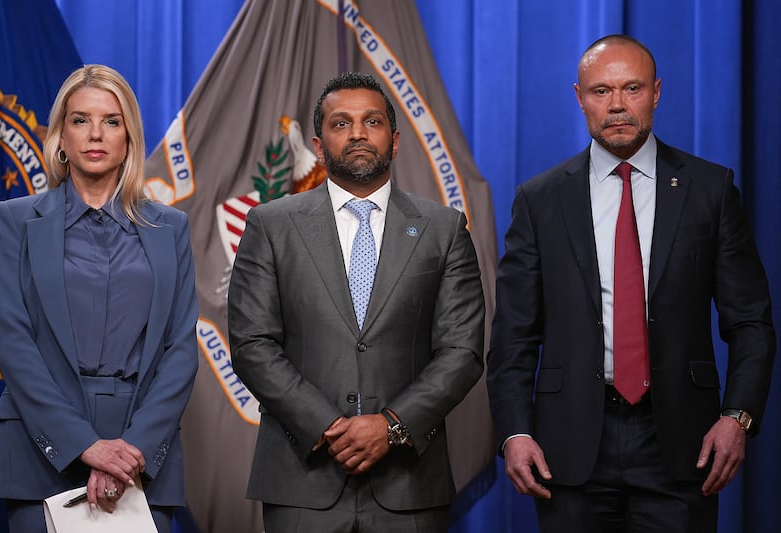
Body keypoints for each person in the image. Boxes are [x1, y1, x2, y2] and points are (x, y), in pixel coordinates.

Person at [487, 34, 775, 533]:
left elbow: (750, 321)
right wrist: (514, 431)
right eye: (600, 91)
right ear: (578, 98)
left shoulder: (711, 189)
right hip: (570, 446)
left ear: (657, 92)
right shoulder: (539, 199)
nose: (617, 105)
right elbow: (513, 335)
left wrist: (739, 417)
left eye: (632, 88)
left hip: (683, 444)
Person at [228, 71, 485, 532]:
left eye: (372, 121)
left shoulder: (443, 229)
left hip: (409, 486)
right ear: (319, 143)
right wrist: (330, 428)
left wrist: (390, 426)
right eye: (341, 123)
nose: (359, 133)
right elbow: (253, 344)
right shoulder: (270, 225)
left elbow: (462, 352)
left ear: (396, 139)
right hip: (301, 483)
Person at [0, 65, 199, 533]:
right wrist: (85, 444)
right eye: (80, 120)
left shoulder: (171, 228)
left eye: (111, 121)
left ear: (129, 138)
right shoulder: (16, 221)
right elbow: (15, 344)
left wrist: (131, 449)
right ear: (60, 135)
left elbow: (181, 350)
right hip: (39, 455)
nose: (95, 134)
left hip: (142, 457)